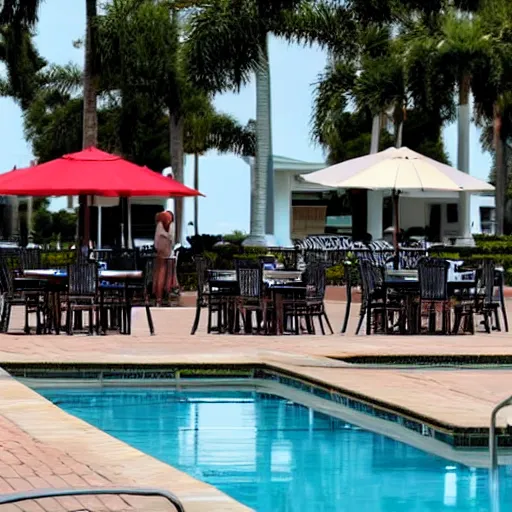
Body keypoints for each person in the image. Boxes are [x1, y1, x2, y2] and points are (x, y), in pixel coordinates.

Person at [153, 210, 176, 305]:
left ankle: (159, 297)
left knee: (159, 272)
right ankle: (164, 294)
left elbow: (156, 240)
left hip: (160, 250)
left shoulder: (159, 225)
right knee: (166, 271)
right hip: (167, 250)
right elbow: (172, 238)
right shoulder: (171, 225)